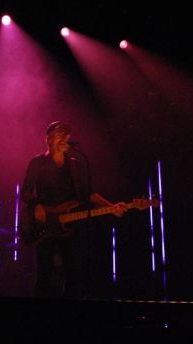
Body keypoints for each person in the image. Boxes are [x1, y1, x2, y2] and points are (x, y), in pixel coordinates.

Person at [20, 121, 126, 298]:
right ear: (48, 139)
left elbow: (89, 194)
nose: (64, 137)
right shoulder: (37, 162)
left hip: (70, 226)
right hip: (44, 224)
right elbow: (25, 192)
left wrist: (111, 207)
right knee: (45, 273)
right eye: (59, 134)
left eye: (66, 135)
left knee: (73, 274)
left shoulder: (75, 164)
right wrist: (37, 204)